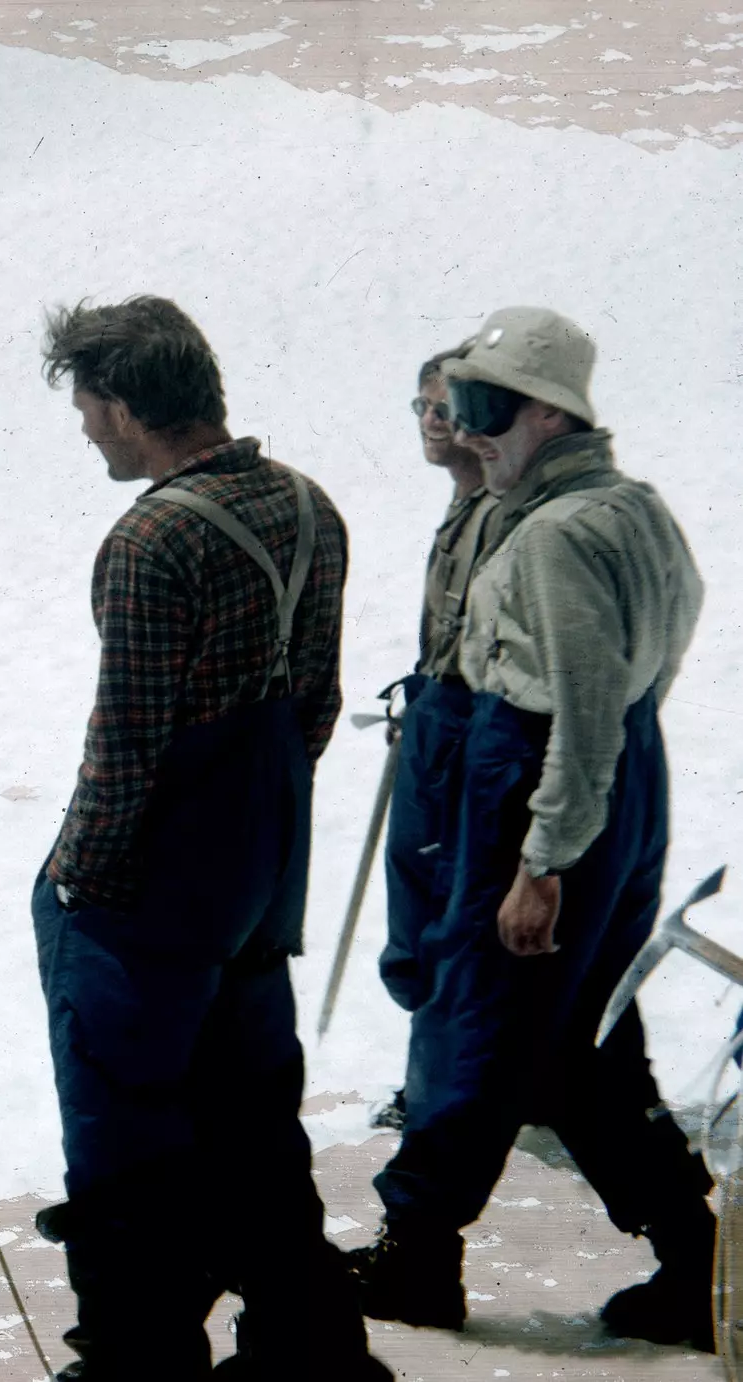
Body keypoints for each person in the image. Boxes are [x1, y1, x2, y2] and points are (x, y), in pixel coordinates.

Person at [28, 296, 389, 1379]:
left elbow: (127, 744)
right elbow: (316, 703)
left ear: (131, 405)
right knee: (252, 1114)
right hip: (259, 872)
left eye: (90, 405)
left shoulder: (151, 537)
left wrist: (74, 881)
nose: (87, 426)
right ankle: (307, 1345)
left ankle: (138, 1358)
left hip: (150, 892)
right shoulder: (310, 505)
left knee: (124, 1130)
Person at [352, 307, 715, 1350]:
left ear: (548, 414)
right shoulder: (630, 505)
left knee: (484, 1011)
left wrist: (543, 857)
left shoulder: (551, 532)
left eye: (482, 408)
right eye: (454, 403)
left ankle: (419, 1249)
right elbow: (649, 664)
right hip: (606, 775)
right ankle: (693, 1253)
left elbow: (583, 703)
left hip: (541, 774)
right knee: (583, 1032)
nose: (464, 430)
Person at [371, 344, 500, 1130]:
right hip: (437, 722)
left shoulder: (502, 511)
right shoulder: (462, 505)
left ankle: (442, 1097)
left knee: (453, 922)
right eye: (420, 404)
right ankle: (435, 1085)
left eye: (444, 407)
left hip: (473, 733)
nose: (429, 420)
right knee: (422, 919)